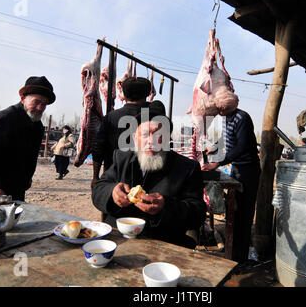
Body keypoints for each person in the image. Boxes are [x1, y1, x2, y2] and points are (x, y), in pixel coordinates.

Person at [91, 109, 206, 249]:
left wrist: (166, 207)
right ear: (134, 137)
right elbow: (98, 189)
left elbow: (197, 214)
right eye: (145, 134)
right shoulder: (122, 158)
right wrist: (112, 193)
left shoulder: (187, 168)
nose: (152, 141)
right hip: (119, 238)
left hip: (164, 243)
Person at [0, 76, 56, 201]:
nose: (40, 108)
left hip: (16, 191)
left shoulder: (37, 127)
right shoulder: (4, 118)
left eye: (44, 104)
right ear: (23, 99)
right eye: (36, 102)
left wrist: (26, 177)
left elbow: (29, 156)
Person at [201, 94, 261, 264]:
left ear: (235, 105)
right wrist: (214, 147)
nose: (220, 112)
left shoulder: (242, 118)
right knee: (234, 211)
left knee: (244, 213)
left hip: (248, 170)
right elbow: (226, 139)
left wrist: (218, 162)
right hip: (237, 167)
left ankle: (240, 257)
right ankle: (233, 250)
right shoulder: (227, 117)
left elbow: (242, 146)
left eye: (223, 109)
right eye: (218, 109)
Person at [91, 77, 166, 187]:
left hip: (115, 179)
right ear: (147, 93)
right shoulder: (154, 116)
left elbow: (98, 148)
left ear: (124, 94)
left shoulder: (111, 117)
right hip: (148, 179)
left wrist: (95, 176)